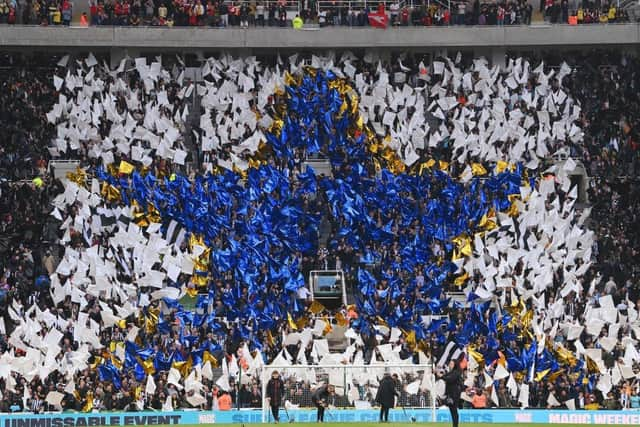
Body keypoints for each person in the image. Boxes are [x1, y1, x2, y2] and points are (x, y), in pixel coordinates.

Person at [439, 358, 463, 427]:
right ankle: (455, 425)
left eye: (452, 364)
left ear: (455, 365)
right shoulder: (451, 372)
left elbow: (449, 379)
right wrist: (440, 374)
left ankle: (455, 425)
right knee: (453, 411)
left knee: (454, 410)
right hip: (450, 393)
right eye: (450, 363)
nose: (450, 365)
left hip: (454, 394)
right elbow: (446, 376)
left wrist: (442, 376)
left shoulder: (456, 372)